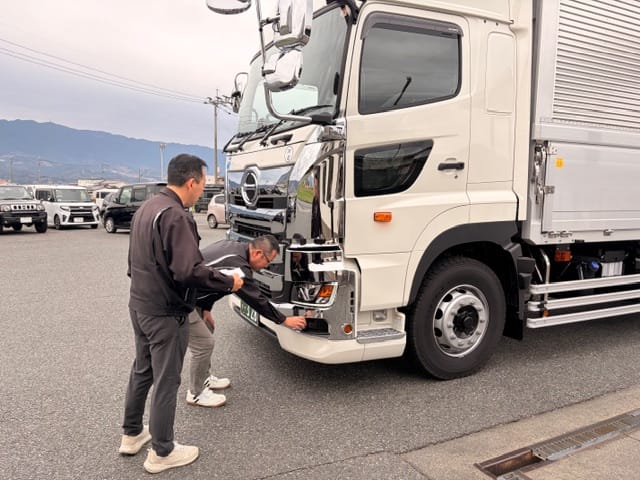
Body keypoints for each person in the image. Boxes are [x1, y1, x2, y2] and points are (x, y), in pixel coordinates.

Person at [118, 154, 243, 474]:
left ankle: (132, 434)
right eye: (202, 184)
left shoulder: (147, 208)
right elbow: (190, 271)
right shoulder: (176, 216)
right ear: (191, 182)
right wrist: (228, 282)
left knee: (143, 370)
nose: (201, 191)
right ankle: (162, 451)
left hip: (140, 304)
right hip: (166, 312)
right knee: (167, 379)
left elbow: (133, 262)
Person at [185, 235, 307, 408]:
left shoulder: (233, 247)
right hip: (180, 298)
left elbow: (213, 282)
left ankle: (203, 377)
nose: (266, 266)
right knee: (204, 344)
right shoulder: (238, 266)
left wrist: (206, 308)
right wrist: (284, 320)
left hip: (193, 296)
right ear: (257, 253)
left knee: (208, 328)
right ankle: (196, 394)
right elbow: (256, 300)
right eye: (268, 261)